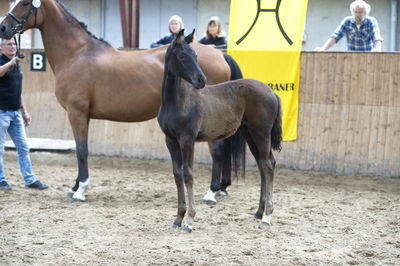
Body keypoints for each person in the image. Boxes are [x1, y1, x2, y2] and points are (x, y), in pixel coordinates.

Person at [0, 38, 48, 190]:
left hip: (15, 113)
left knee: (23, 147)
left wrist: (24, 111)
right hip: (1, 112)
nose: (13, 46)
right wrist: (10, 63)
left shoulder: (16, 64)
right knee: (0, 149)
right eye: (9, 44)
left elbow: (18, 90)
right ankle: (1, 180)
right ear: (1, 47)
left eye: (14, 44)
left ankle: (29, 179)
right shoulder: (6, 62)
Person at [315, 0, 383, 52]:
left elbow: (376, 37)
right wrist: (323, 49)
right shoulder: (347, 21)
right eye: (355, 12)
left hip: (368, 57)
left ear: (366, 13)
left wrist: (377, 49)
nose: (357, 14)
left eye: (360, 12)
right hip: (351, 57)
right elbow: (335, 36)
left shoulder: (371, 21)